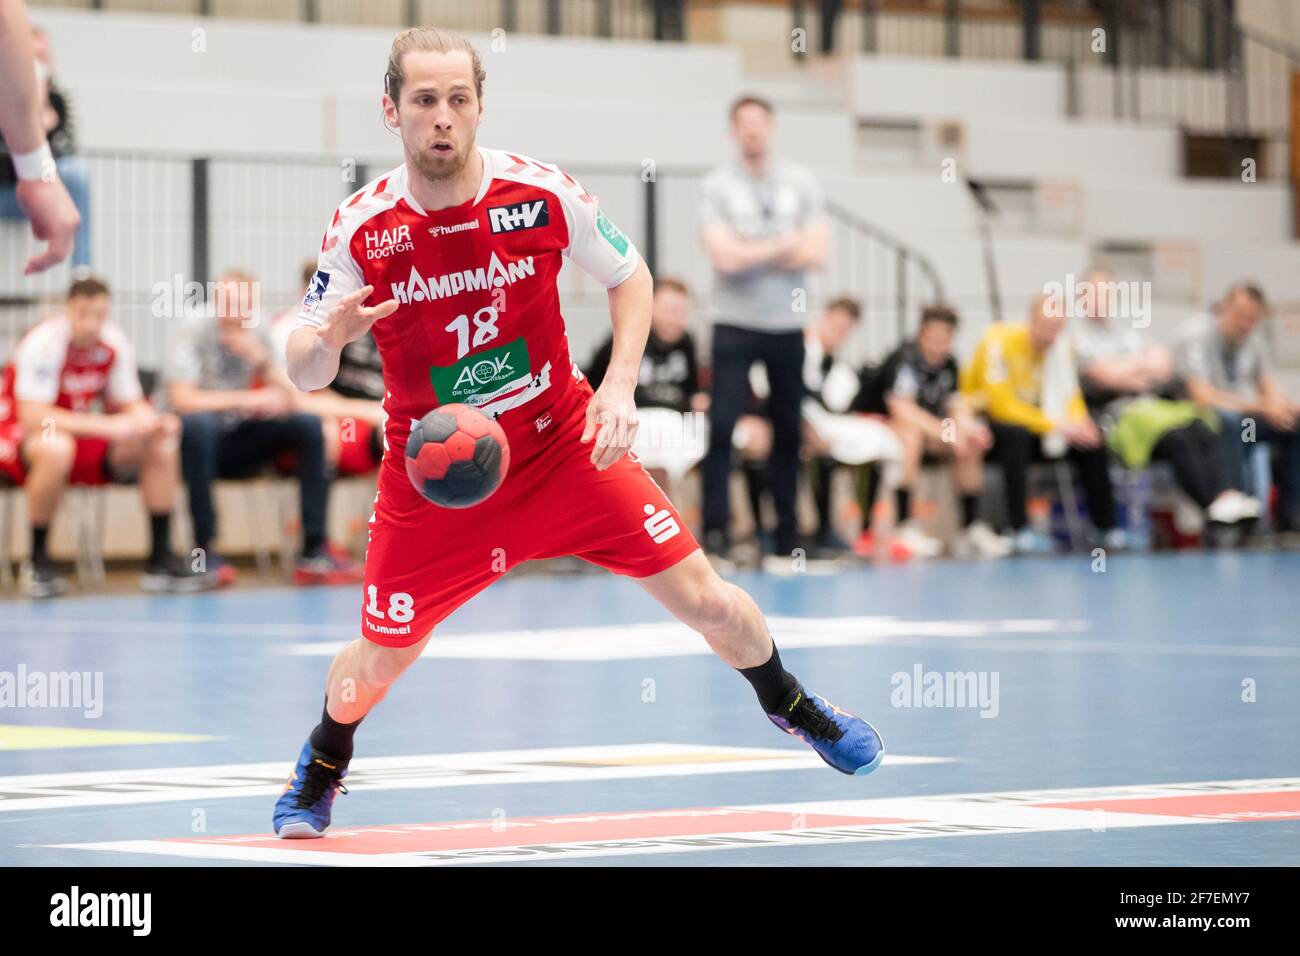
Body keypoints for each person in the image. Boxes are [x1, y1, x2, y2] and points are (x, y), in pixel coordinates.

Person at [274, 27, 883, 838]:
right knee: (378, 661)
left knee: (710, 602)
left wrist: (621, 384)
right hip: (441, 476)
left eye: (459, 99)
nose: (443, 117)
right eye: (424, 100)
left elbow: (630, 276)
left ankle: (792, 702)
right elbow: (303, 368)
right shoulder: (363, 229)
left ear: (480, 106)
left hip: (563, 446)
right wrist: (328, 337)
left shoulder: (540, 194)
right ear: (392, 111)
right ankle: (323, 761)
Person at [0, 277, 204, 597]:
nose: (92, 323)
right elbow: (34, 417)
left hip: (83, 440)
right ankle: (37, 561)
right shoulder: (43, 342)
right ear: (67, 310)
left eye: (100, 314)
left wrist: (151, 422)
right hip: (29, 440)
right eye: (84, 314)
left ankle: (160, 559)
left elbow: (130, 402)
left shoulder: (113, 341)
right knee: (56, 447)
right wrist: (107, 426)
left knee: (160, 442)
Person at [167, 269, 359, 587]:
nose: (235, 315)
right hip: (195, 442)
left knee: (309, 426)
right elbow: (182, 399)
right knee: (198, 425)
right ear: (216, 301)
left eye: (242, 307)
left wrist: (264, 365)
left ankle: (313, 548)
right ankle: (205, 550)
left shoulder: (259, 331)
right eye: (228, 305)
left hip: (240, 435)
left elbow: (291, 394)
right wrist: (248, 398)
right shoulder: (193, 329)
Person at [698, 94, 828, 561]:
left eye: (759, 123)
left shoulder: (800, 183)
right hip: (734, 322)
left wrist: (751, 250)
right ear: (734, 131)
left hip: (787, 323)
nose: (752, 131)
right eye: (744, 124)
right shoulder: (718, 185)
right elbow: (723, 258)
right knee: (722, 425)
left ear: (770, 128)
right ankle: (715, 532)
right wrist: (784, 245)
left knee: (789, 429)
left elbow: (816, 253)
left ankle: (788, 533)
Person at [1073, 270, 1259, 530]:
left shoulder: (1128, 333)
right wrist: (1139, 368)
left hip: (1154, 409)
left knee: (1200, 426)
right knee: (1178, 438)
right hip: (1119, 418)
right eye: (1094, 294)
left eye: (1107, 293)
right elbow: (1103, 376)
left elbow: (1164, 364)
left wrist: (1125, 369)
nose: (1101, 300)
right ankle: (1213, 505)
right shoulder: (1076, 336)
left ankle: (1227, 496)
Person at [961, 294, 1120, 552]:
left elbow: (1070, 396)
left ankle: (1105, 528)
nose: (1050, 335)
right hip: (990, 428)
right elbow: (1002, 407)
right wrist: (1057, 425)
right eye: (1045, 326)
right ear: (1031, 320)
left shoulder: (1060, 349)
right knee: (1017, 436)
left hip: (1041, 425)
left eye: (1057, 328)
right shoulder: (997, 341)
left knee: (1092, 440)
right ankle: (1018, 528)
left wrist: (1081, 424)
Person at [858, 305, 1009, 559]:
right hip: (880, 426)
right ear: (921, 333)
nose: (940, 345)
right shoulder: (903, 358)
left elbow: (955, 404)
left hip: (931, 431)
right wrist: (945, 433)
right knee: (911, 436)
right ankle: (904, 526)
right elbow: (902, 409)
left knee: (969, 442)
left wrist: (968, 428)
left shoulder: (949, 363)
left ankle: (970, 527)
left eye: (946, 339)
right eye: (934, 338)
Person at [1175, 283, 1300, 536]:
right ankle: (1239, 515)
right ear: (1225, 308)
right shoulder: (1196, 334)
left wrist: (1282, 407)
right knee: (1231, 421)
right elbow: (1202, 397)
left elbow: (1267, 387)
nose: (1245, 324)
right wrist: (1263, 406)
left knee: (1293, 424)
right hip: (1196, 421)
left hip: (1244, 419)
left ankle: (1291, 517)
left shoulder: (1253, 340)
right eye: (1241, 316)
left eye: (1253, 318)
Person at [798, 297, 904, 555]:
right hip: (791, 421)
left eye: (846, 331)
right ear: (824, 317)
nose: (839, 334)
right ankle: (819, 528)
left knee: (880, 439)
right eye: (836, 326)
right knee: (822, 447)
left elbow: (833, 402)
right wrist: (806, 427)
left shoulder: (832, 361)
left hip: (820, 418)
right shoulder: (801, 347)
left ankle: (866, 529)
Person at [586, 276, 708, 498]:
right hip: (635, 419)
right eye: (668, 310)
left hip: (673, 423)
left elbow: (693, 393)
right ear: (651, 308)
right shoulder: (626, 340)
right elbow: (593, 382)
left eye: (681, 312)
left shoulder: (687, 343)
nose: (674, 319)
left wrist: (696, 401)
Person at [271, 262, 386, 480]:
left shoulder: (359, 320)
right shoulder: (290, 330)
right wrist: (371, 411)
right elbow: (304, 399)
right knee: (328, 432)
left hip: (362, 414)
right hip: (340, 421)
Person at [0, 0, 79, 274]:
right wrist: (35, 171)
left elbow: (66, 143)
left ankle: (83, 272)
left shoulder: (56, 97)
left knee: (76, 173)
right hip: (9, 181)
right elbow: (3, 20)